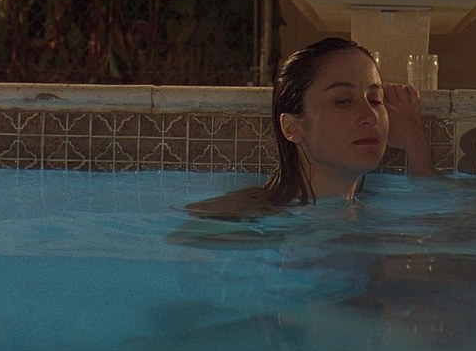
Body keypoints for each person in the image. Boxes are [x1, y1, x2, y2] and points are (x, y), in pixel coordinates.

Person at [183, 37, 433, 220]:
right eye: (343, 101)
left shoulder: (371, 214)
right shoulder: (227, 219)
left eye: (376, 100)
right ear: (292, 128)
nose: (370, 116)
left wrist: (415, 144)